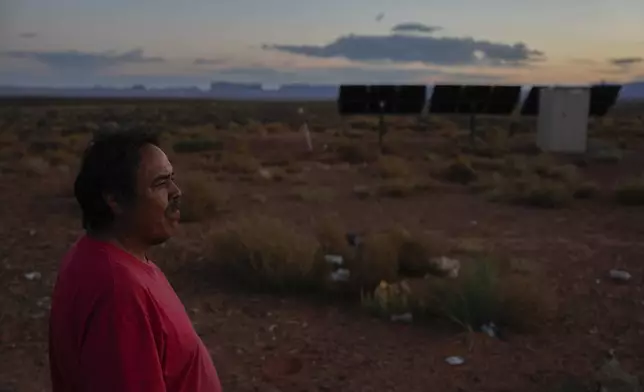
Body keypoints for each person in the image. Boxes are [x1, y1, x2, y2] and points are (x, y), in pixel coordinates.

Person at [48, 129, 222, 392]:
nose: (177, 192)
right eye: (160, 183)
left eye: (172, 179)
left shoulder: (98, 256)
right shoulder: (119, 292)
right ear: (115, 199)